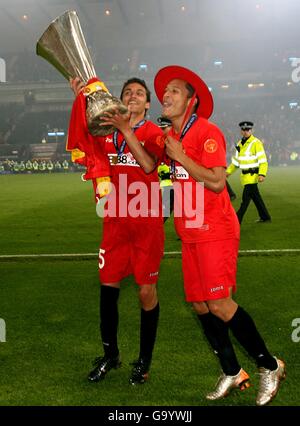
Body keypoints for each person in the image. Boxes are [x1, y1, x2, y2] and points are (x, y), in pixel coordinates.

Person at [150, 65, 285, 406]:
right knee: (199, 304)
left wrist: (181, 158)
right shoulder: (172, 138)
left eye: (175, 91)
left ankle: (270, 365)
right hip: (190, 233)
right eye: (165, 92)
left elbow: (215, 181)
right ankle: (231, 370)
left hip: (215, 230)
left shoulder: (206, 132)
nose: (166, 95)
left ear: (191, 101)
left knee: (220, 304)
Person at [69, 76, 164, 385]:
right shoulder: (107, 134)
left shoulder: (153, 132)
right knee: (107, 289)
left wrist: (125, 128)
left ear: (148, 103)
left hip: (146, 223)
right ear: (120, 101)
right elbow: (85, 137)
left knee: (145, 291)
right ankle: (110, 355)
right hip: (115, 223)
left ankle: (145, 361)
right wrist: (81, 99)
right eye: (127, 93)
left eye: (139, 93)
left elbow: (150, 165)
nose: (133, 96)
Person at [226, 121, 271, 224]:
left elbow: (263, 161)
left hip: (253, 176)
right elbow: (236, 162)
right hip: (245, 177)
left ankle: (237, 220)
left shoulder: (256, 143)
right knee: (256, 198)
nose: (246, 132)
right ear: (241, 131)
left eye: (248, 130)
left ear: (251, 130)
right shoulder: (239, 144)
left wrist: (262, 174)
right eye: (244, 130)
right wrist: (227, 172)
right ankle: (265, 217)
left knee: (245, 201)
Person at [156, 116, 174, 222]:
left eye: (164, 128)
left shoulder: (181, 141)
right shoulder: (161, 142)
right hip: (169, 184)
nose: (161, 131)